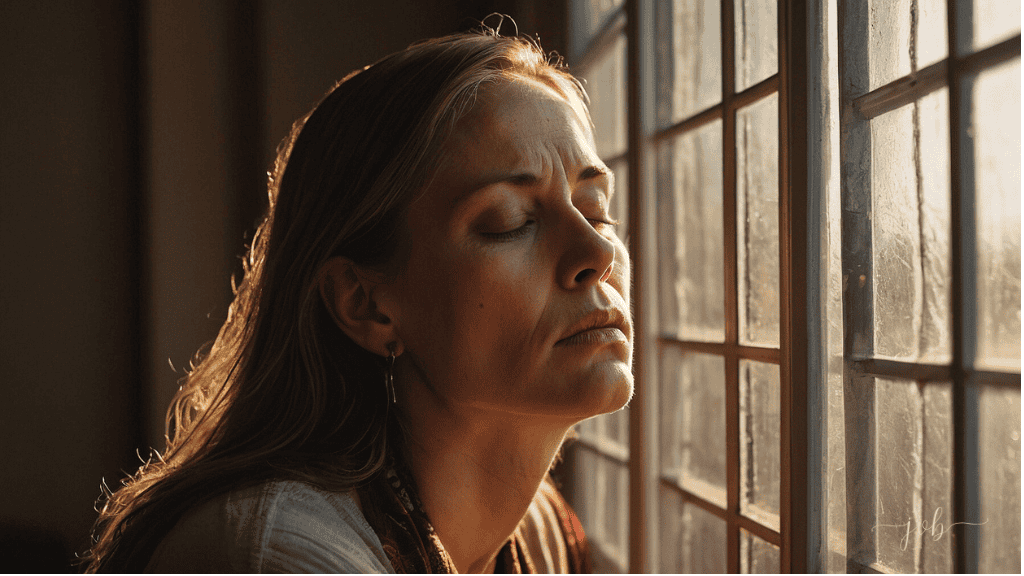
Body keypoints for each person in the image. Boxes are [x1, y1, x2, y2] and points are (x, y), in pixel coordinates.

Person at [81, 24, 632, 573]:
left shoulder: (536, 535)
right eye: (510, 222)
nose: (596, 251)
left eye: (598, 209)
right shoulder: (276, 555)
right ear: (365, 304)